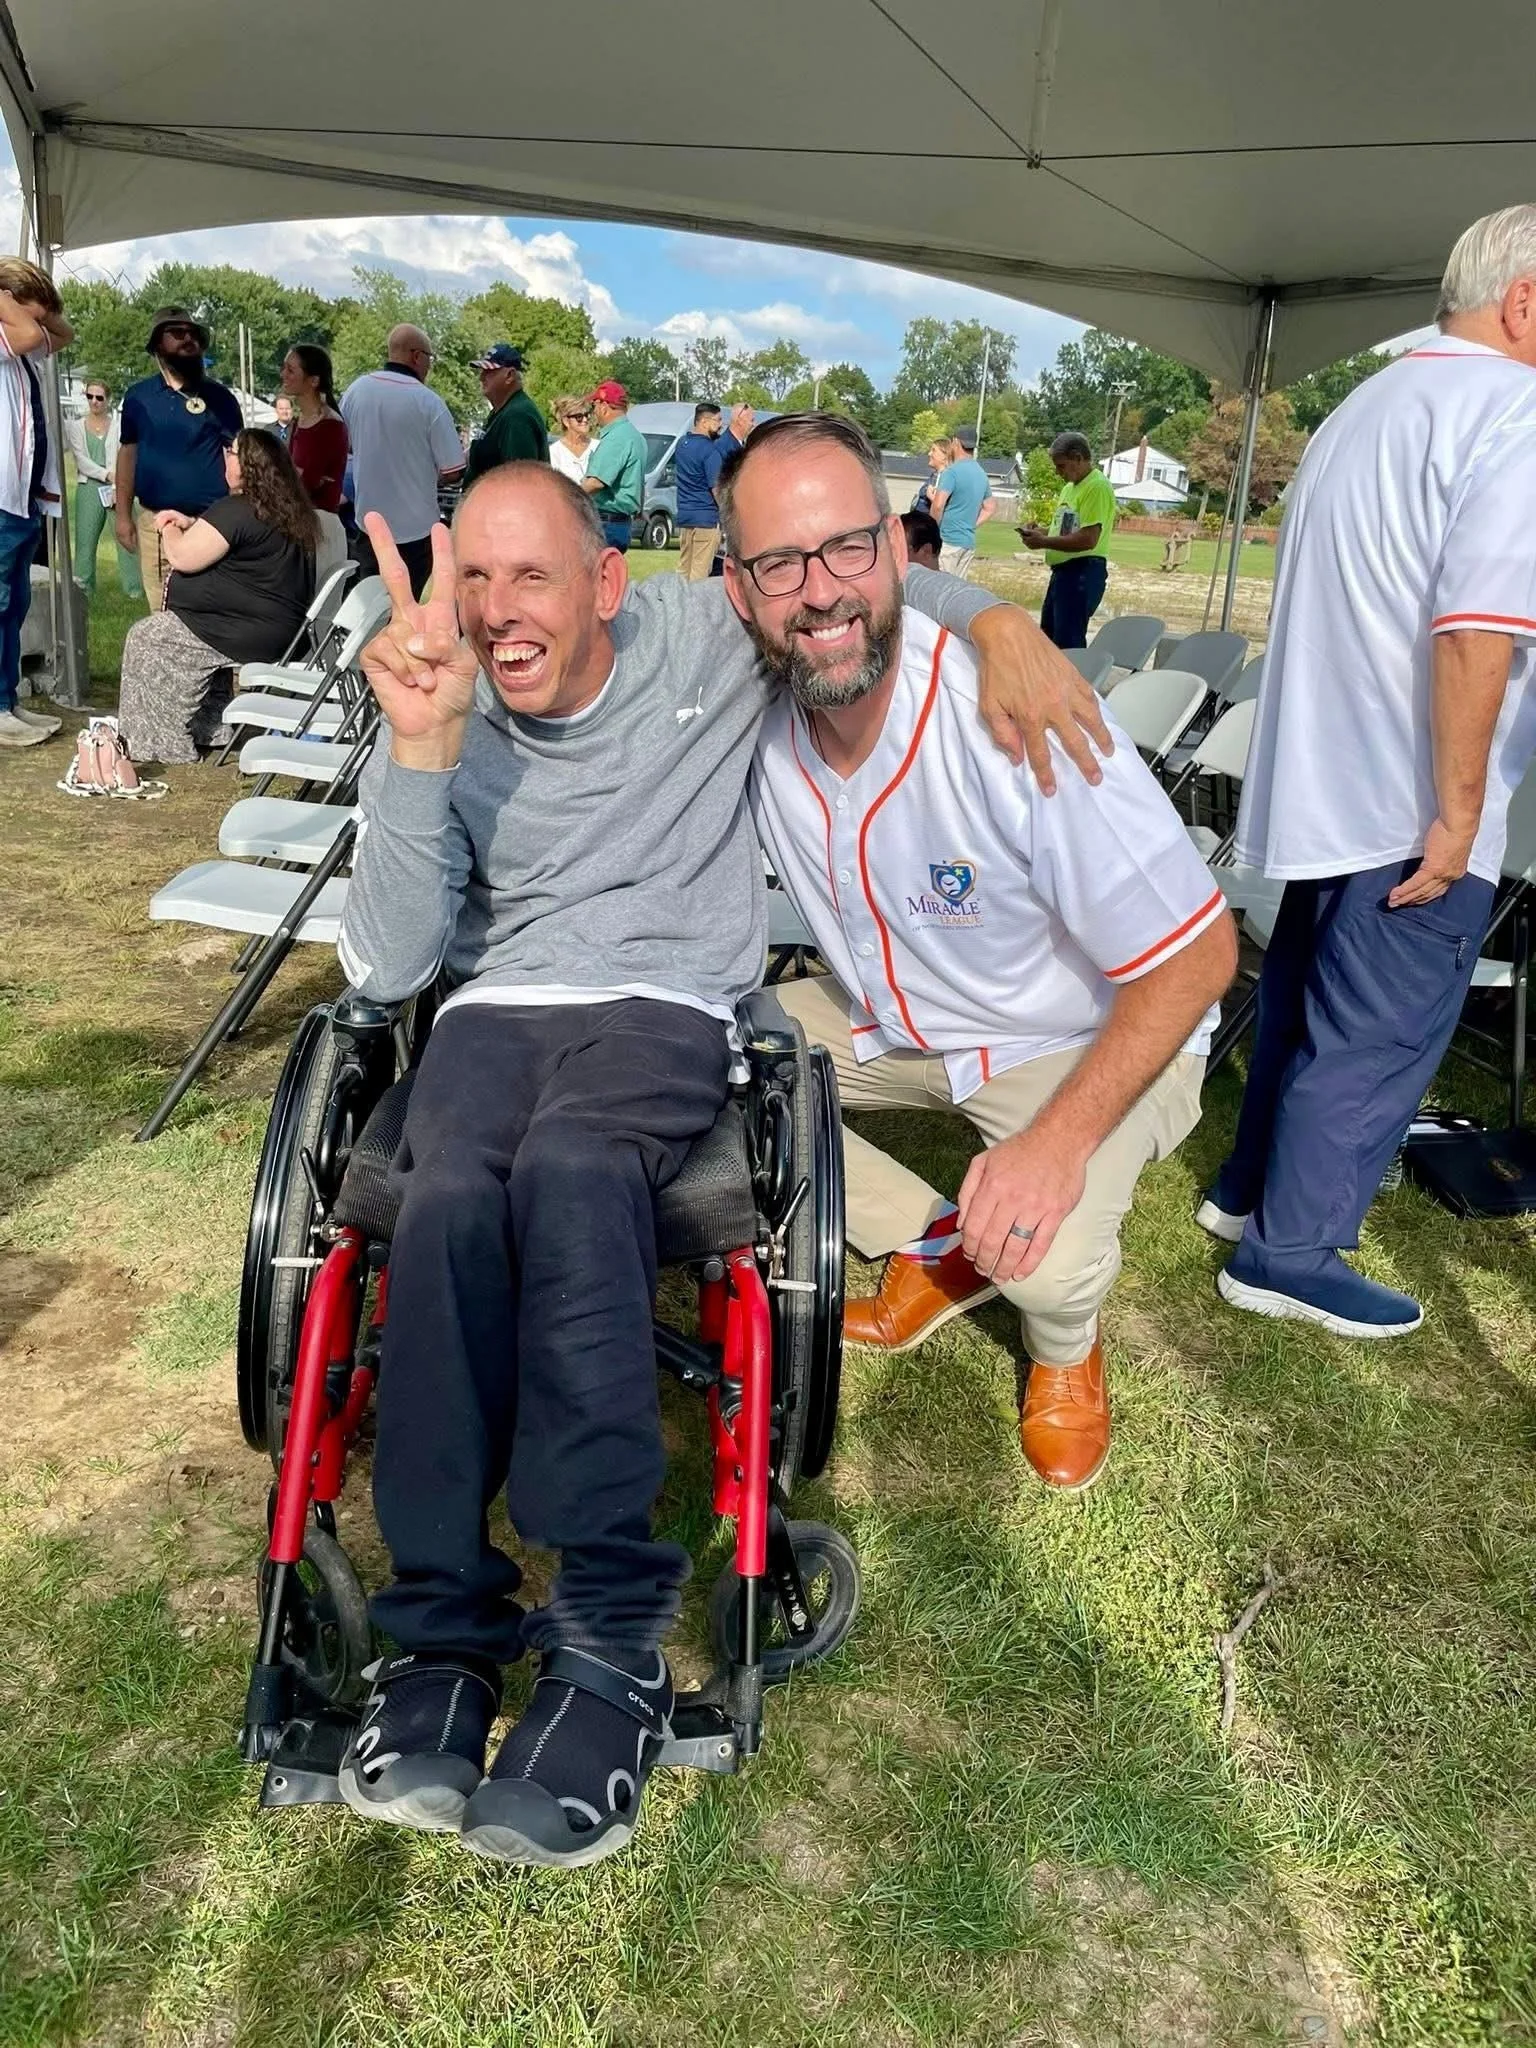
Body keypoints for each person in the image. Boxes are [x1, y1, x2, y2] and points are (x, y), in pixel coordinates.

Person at [329, 458, 1110, 1863]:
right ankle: (441, 1636)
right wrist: (422, 747)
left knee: (573, 1176)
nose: (499, 613)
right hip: (493, 1006)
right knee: (441, 1201)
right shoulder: (438, 687)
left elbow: (838, 587)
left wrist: (993, 620)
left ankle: (610, 1636)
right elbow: (389, 964)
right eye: (476, 577)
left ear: (610, 584)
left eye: (533, 577)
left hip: (665, 1009)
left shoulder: (700, 637)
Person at [722, 414, 1234, 1491]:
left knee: (1041, 1255)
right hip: (895, 1016)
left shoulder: (1014, 712)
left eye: (849, 547)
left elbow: (1196, 958)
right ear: (738, 588)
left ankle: (1063, 1347)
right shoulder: (751, 700)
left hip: (1081, 1029)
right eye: (779, 562)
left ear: (900, 550)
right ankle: (942, 1241)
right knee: (693, 1064)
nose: (818, 590)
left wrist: (1053, 1149)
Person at [1198, 204, 1536, 1339]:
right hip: (1410, 786)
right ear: (1524, 300)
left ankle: (1247, 1190)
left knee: (1303, 995)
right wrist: (1460, 810)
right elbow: (1476, 631)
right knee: (1380, 1028)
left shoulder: (1370, 402)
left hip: (1328, 770)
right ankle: (1291, 1252)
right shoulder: (1517, 409)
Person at [115, 429, 316, 766]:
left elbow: (181, 556)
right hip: (271, 629)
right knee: (169, 635)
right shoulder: (282, 509)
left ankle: (160, 741)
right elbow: (232, 540)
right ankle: (211, 726)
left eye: (232, 452)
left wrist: (167, 525)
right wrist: (192, 522)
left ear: (249, 466)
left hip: (243, 631)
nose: (226, 457)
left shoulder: (238, 509)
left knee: (149, 638)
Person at [115, 307, 244, 613]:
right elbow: (127, 454)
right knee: (161, 615)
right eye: (177, 333)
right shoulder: (138, 398)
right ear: (158, 345)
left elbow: (238, 456)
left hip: (210, 523)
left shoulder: (220, 398)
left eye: (193, 334)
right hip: (154, 523)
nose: (188, 340)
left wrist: (238, 514)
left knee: (213, 612)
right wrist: (122, 516)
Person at [0, 260, 71, 748]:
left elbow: (62, 333)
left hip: (22, 496)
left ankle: (7, 698)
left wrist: (36, 307)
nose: (39, 325)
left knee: (14, 602)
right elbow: (28, 333)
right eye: (32, 312)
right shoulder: (8, 340)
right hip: (1, 496)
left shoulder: (21, 344)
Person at [340, 324, 464, 597]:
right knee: (412, 608)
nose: (430, 366)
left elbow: (344, 445)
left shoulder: (356, 391)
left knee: (369, 609)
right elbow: (453, 470)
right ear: (417, 356)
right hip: (416, 531)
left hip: (369, 527)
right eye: (430, 358)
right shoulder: (429, 402)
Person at [1018, 431, 1118, 648]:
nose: (1057, 472)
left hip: (1082, 571)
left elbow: (1088, 539)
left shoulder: (1096, 486)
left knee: (1068, 644)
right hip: (1063, 573)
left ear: (1078, 458)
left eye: (1061, 465)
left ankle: (1074, 682)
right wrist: (1040, 533)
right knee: (1049, 639)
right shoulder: (1069, 488)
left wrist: (1043, 542)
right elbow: (1067, 532)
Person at [64, 378, 143, 603]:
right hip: (89, 487)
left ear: (107, 400)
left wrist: (117, 482)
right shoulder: (76, 427)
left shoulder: (118, 426)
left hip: (117, 487)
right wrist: (106, 475)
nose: (94, 402)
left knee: (127, 536)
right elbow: (81, 460)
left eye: (99, 397)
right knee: (85, 541)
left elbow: (123, 455)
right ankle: (83, 588)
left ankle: (134, 589)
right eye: (90, 396)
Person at [280, 343, 349, 582]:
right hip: (299, 524)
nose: (284, 375)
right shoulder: (299, 422)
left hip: (321, 529)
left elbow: (306, 480)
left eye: (291, 370)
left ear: (313, 380)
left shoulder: (330, 424)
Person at [673, 400, 752, 581]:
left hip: (685, 516)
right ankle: (692, 609)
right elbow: (716, 488)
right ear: (704, 422)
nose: (720, 426)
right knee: (700, 574)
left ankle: (676, 604)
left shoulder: (681, 444)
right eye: (717, 421)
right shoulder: (710, 451)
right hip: (706, 519)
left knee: (683, 570)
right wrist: (728, 515)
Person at [579, 379, 647, 550]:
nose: (593, 412)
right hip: (620, 523)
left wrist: (567, 496)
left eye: (594, 406)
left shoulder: (617, 438)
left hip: (605, 523)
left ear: (604, 406)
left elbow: (595, 482)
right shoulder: (636, 437)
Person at [464, 344, 549, 481]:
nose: (481, 377)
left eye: (489, 371)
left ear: (509, 375)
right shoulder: (502, 411)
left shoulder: (518, 416)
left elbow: (520, 479)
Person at [928, 424, 995, 578]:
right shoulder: (981, 473)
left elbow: (938, 506)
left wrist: (930, 534)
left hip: (948, 541)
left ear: (956, 442)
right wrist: (971, 525)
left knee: (940, 587)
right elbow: (990, 507)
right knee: (957, 590)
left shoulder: (952, 472)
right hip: (967, 543)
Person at [547, 394, 595, 484]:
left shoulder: (598, 446)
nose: (585, 420)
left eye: (587, 415)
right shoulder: (554, 453)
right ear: (566, 421)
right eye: (579, 417)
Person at [911, 439, 948, 517]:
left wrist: (930, 496)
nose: (929, 454)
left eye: (934, 450)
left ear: (945, 457)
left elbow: (939, 506)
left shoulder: (943, 477)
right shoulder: (936, 475)